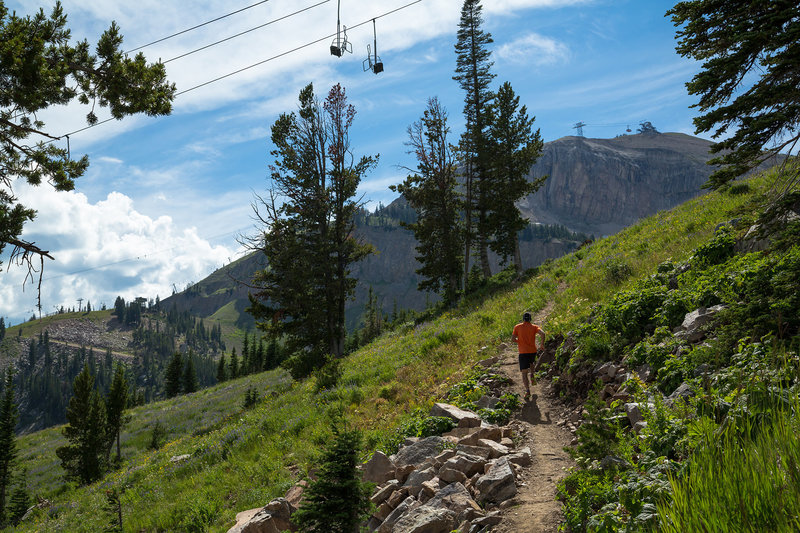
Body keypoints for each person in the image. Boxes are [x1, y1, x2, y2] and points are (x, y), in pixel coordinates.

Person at [512, 311, 545, 399]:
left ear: (523, 319)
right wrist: (542, 344)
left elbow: (513, 339)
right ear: (530, 319)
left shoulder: (517, 327)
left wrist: (519, 341)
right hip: (532, 351)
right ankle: (533, 375)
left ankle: (527, 391)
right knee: (531, 363)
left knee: (524, 373)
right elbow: (543, 333)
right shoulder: (534, 327)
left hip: (523, 352)